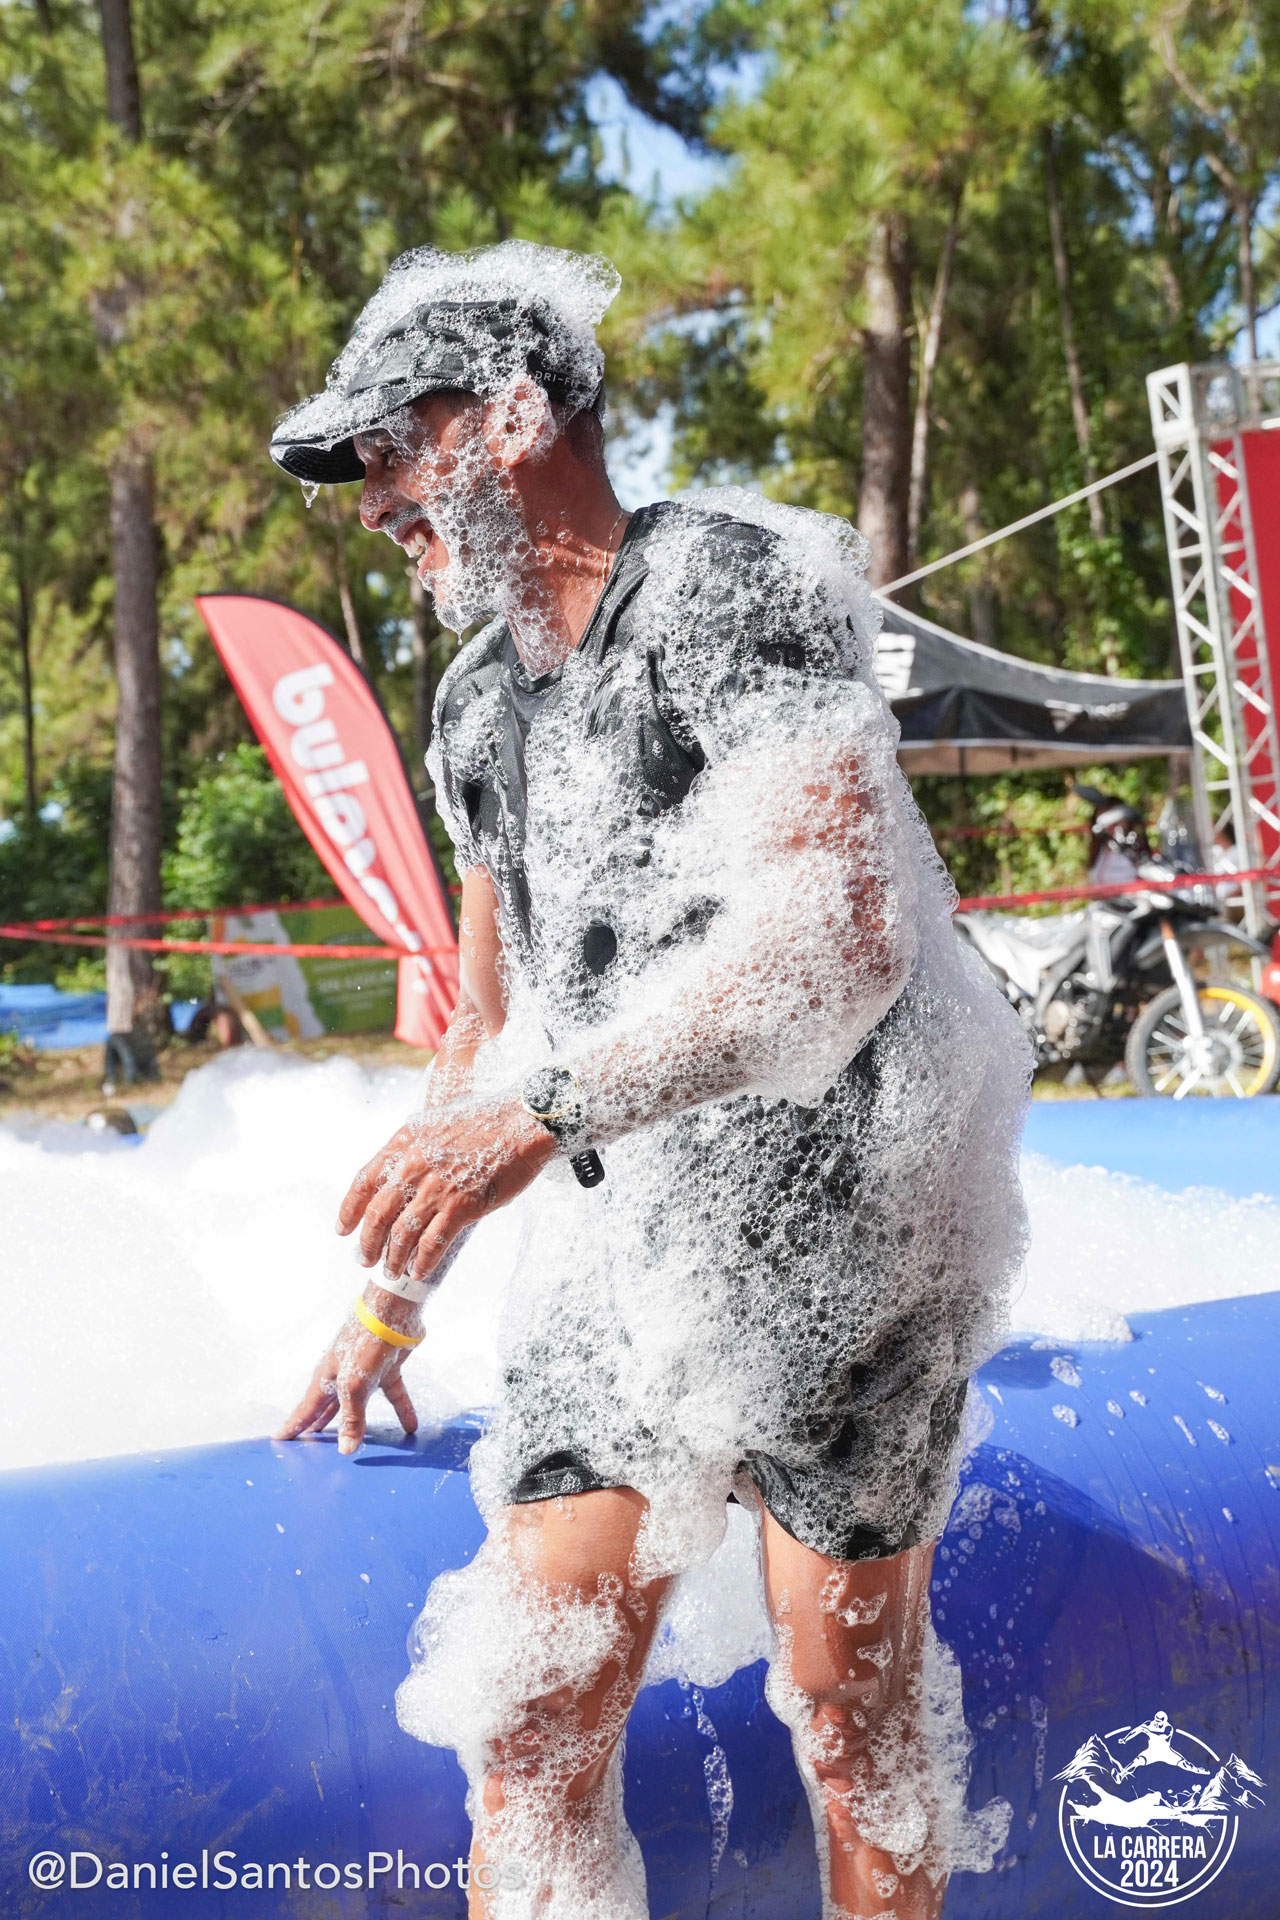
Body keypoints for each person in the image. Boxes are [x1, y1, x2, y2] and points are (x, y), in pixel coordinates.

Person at [269, 241, 1030, 1920]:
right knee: (529, 1717)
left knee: (852, 1719)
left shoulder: (722, 591)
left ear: (511, 417)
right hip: (635, 1249)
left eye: (391, 448)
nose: (373, 500)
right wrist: (392, 1295)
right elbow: (490, 1026)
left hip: (853, 1232)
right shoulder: (477, 708)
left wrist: (537, 1119)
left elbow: (837, 941)